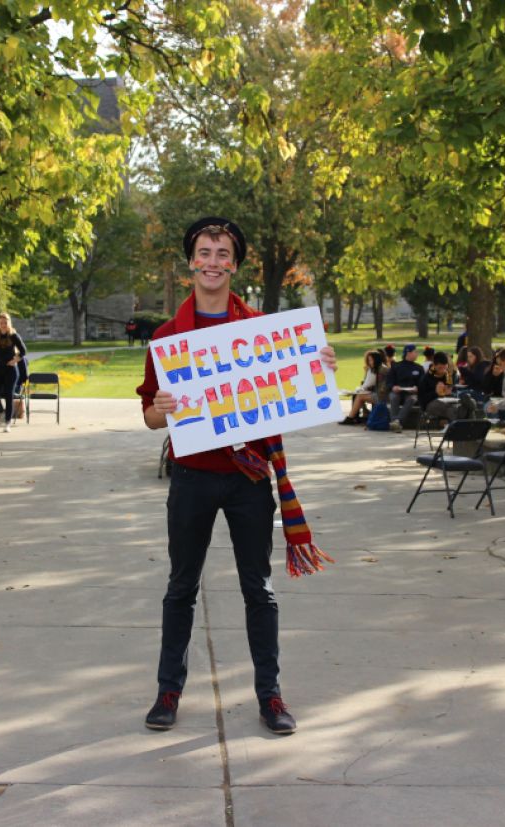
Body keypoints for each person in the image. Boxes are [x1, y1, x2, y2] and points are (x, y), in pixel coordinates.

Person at [138, 216, 336, 736]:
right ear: (191, 262)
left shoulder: (262, 332)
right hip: (192, 475)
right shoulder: (167, 337)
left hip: (249, 478)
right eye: (205, 252)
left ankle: (270, 696)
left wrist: (317, 365)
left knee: (259, 590)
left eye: (223, 253)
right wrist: (161, 409)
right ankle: (168, 690)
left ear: (234, 264)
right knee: (181, 587)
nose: (213, 262)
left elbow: (294, 383)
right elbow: (151, 417)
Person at [418, 351, 477, 425]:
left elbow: (453, 391)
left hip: (450, 401)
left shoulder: (448, 376)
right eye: (440, 368)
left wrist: (449, 392)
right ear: (434, 365)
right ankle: (464, 426)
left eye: (445, 367)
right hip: (430, 404)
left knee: (463, 406)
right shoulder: (426, 378)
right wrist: (436, 393)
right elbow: (422, 400)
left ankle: (468, 426)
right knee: (457, 409)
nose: (443, 371)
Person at [339, 349, 384, 425]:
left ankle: (351, 418)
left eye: (371, 360)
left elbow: (368, 384)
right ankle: (354, 418)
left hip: (381, 396)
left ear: (376, 360)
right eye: (369, 360)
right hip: (376, 393)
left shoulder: (381, 370)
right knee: (357, 395)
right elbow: (366, 383)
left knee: (359, 396)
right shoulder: (373, 369)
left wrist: (358, 390)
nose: (370, 362)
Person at [387, 343, 425, 430]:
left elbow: (422, 384)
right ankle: (396, 423)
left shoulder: (419, 368)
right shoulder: (396, 366)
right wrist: (393, 387)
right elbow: (389, 381)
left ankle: (397, 421)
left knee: (412, 399)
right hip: (397, 392)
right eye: (415, 352)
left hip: (411, 393)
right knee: (394, 397)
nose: (417, 354)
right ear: (408, 353)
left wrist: (417, 388)